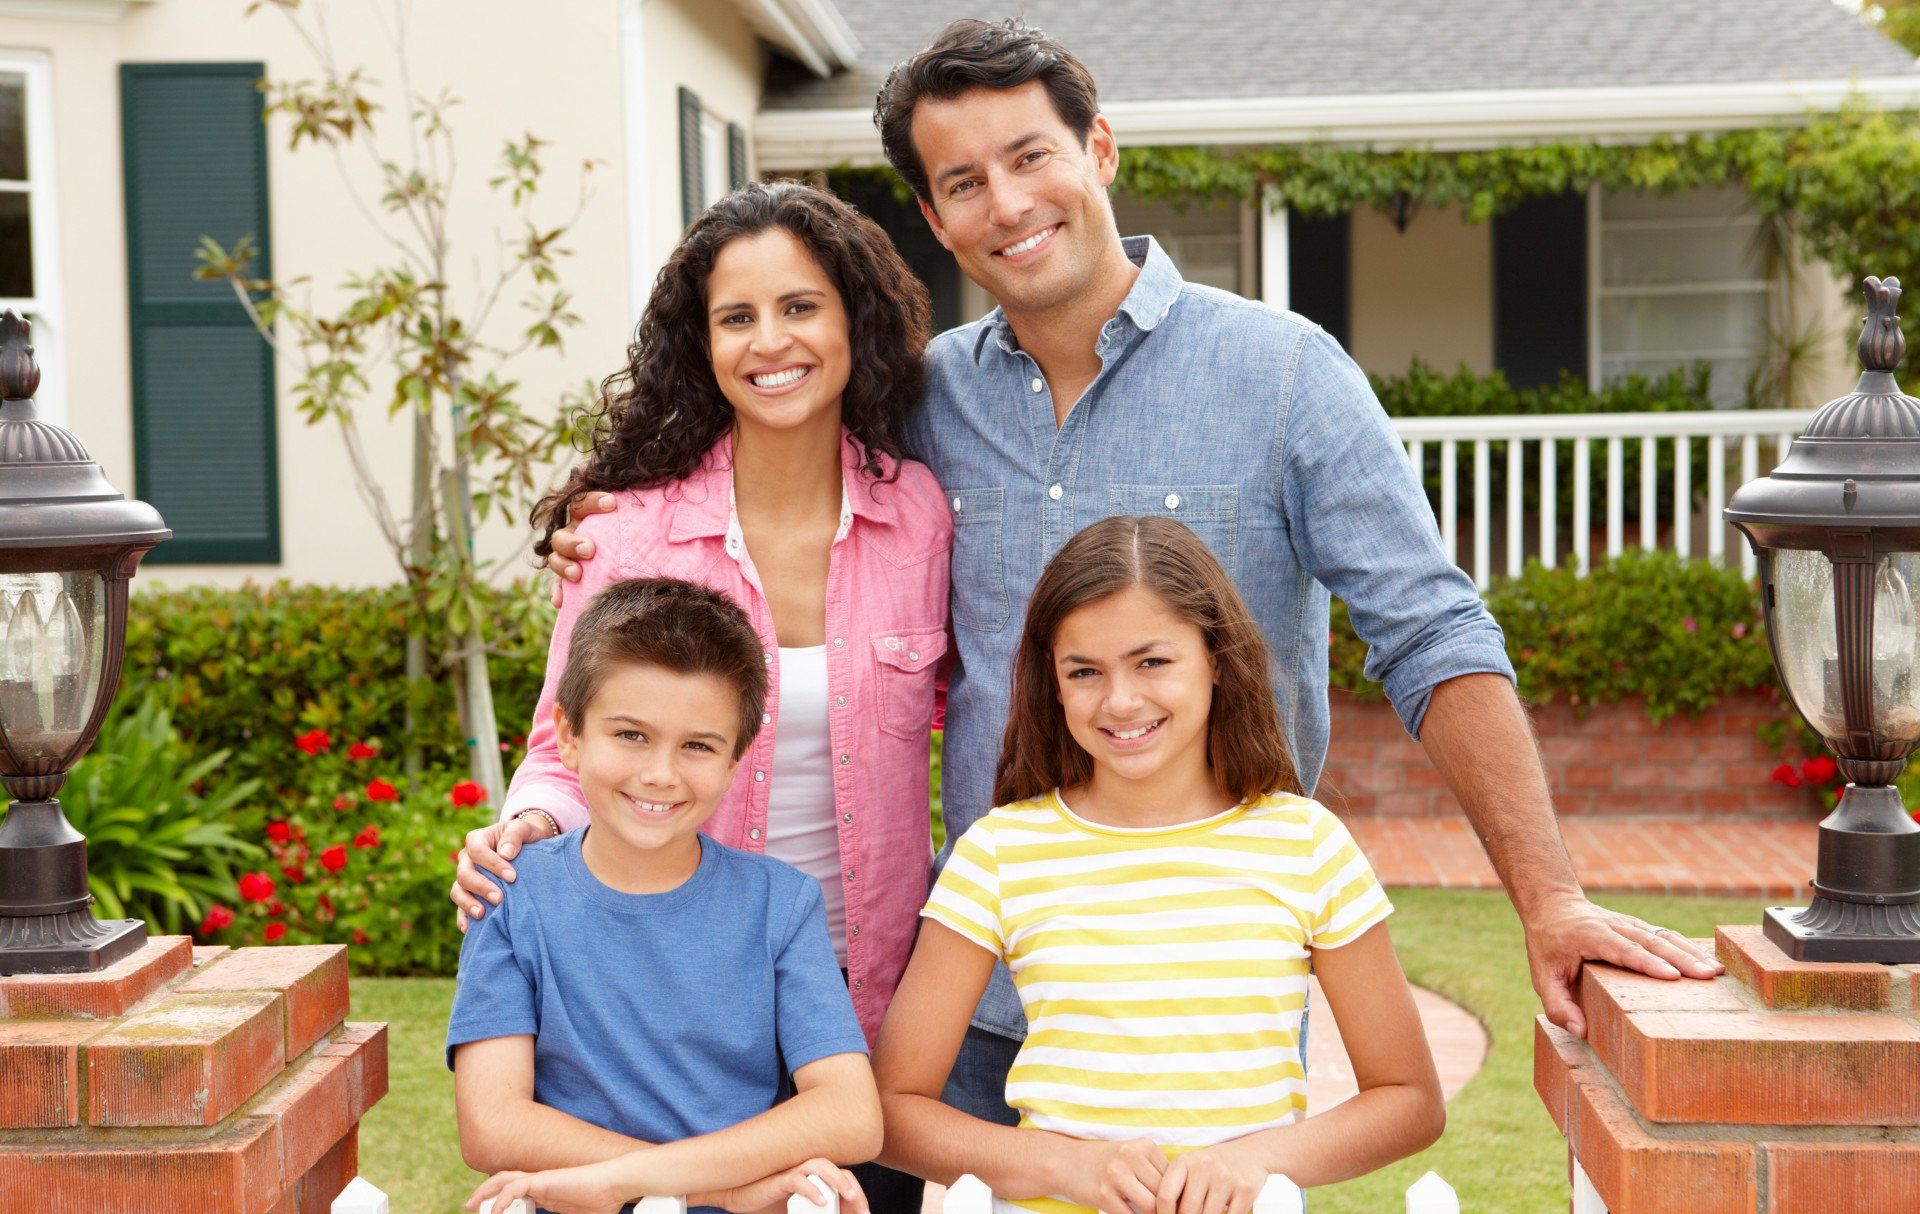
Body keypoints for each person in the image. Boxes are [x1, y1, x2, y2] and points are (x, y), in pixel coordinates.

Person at [542, 15, 1720, 1142]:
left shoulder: (1285, 376)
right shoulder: (921, 404)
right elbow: (765, 429)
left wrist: (1550, 897)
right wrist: (613, 520)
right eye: (963, 183)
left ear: (1099, 147)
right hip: (972, 997)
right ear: (933, 219)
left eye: (1030, 156)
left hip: (1201, 1009)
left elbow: (1433, 635)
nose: (1005, 203)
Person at [451, 180, 949, 1209]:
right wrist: (530, 823)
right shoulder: (625, 533)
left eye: (801, 305)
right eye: (737, 316)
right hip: (677, 999)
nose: (772, 340)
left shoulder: (919, 515)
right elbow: (567, 735)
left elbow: (962, 710)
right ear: (704, 342)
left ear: (854, 316)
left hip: (866, 1001)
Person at [873, 517, 1444, 1214]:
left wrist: (1254, 1159)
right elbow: (893, 1110)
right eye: (1084, 672)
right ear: (1051, 684)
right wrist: (1065, 1165)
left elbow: (1410, 1099)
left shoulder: (1307, 845)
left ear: (1216, 659)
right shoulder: (999, 852)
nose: (1120, 701)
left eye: (1152, 662)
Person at [451, 578, 880, 1214]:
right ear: (568, 734)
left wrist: (620, 1181)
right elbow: (492, 1124)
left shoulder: (780, 904)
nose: (661, 773)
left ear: (736, 761)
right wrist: (718, 1188)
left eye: (698, 746)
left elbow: (851, 1115)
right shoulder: (512, 896)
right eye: (631, 735)